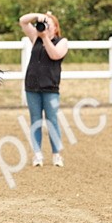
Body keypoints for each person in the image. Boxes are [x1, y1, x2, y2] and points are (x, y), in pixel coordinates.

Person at [20, 10, 69, 167]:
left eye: (49, 25)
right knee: (35, 120)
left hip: (50, 87)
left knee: (52, 120)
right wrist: (38, 16)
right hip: (32, 86)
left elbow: (55, 55)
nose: (45, 27)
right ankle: (37, 155)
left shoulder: (62, 41)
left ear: (55, 27)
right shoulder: (36, 37)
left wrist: (45, 37)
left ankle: (56, 155)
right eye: (45, 24)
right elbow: (22, 21)